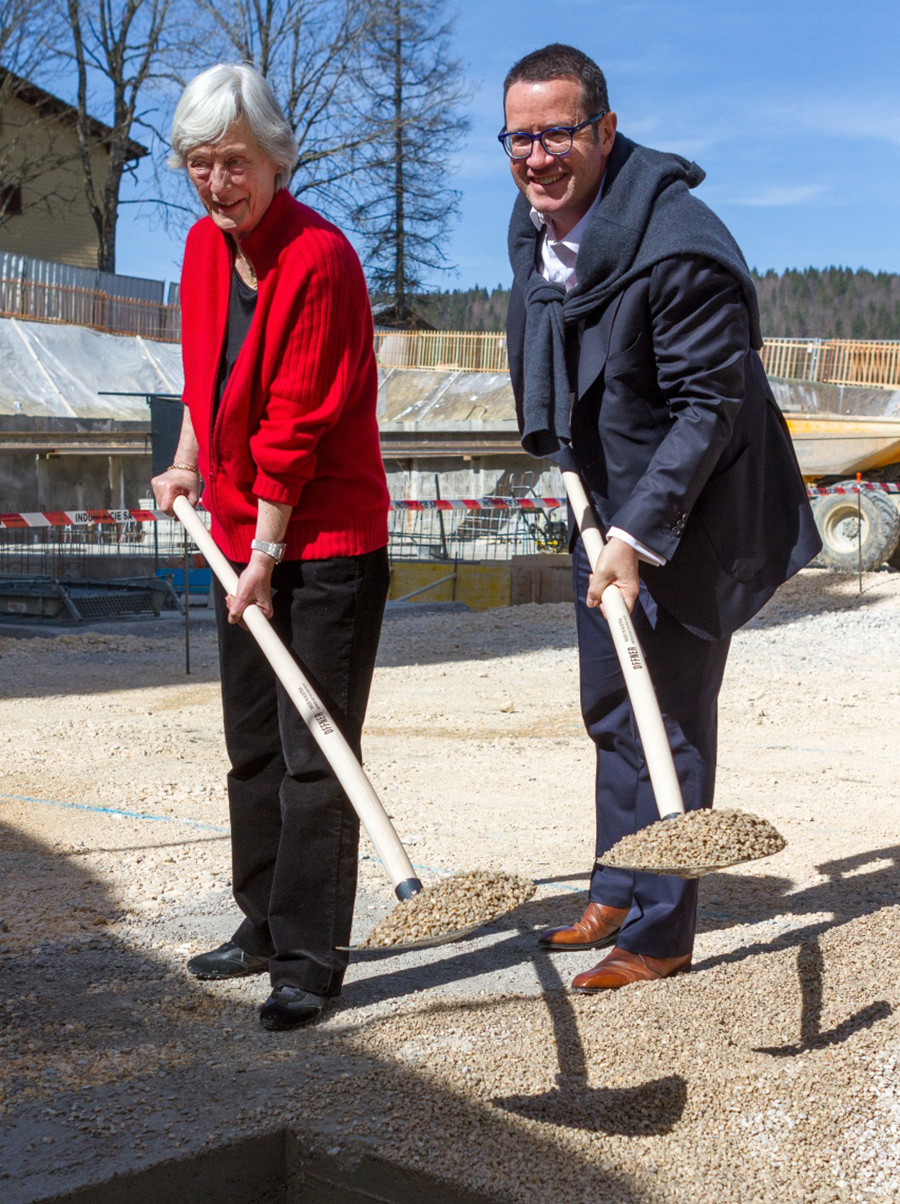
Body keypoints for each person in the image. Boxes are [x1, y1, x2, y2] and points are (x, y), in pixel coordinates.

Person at [501, 45, 820, 991]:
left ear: (603, 128)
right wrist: (579, 481)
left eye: (558, 132)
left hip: (690, 510)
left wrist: (638, 537)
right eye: (519, 136)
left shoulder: (680, 244)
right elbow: (552, 338)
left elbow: (706, 411)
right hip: (602, 499)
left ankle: (661, 931)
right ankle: (615, 879)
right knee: (610, 702)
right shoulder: (542, 227)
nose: (536, 155)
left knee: (669, 714)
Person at [151, 64, 390, 1030]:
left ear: (276, 159)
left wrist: (269, 551)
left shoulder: (320, 258)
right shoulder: (206, 250)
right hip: (239, 533)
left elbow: (294, 424)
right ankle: (258, 919)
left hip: (323, 539)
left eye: (236, 163)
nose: (219, 184)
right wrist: (184, 466)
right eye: (200, 165)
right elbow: (208, 379)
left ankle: (307, 954)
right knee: (251, 744)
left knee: (313, 749)